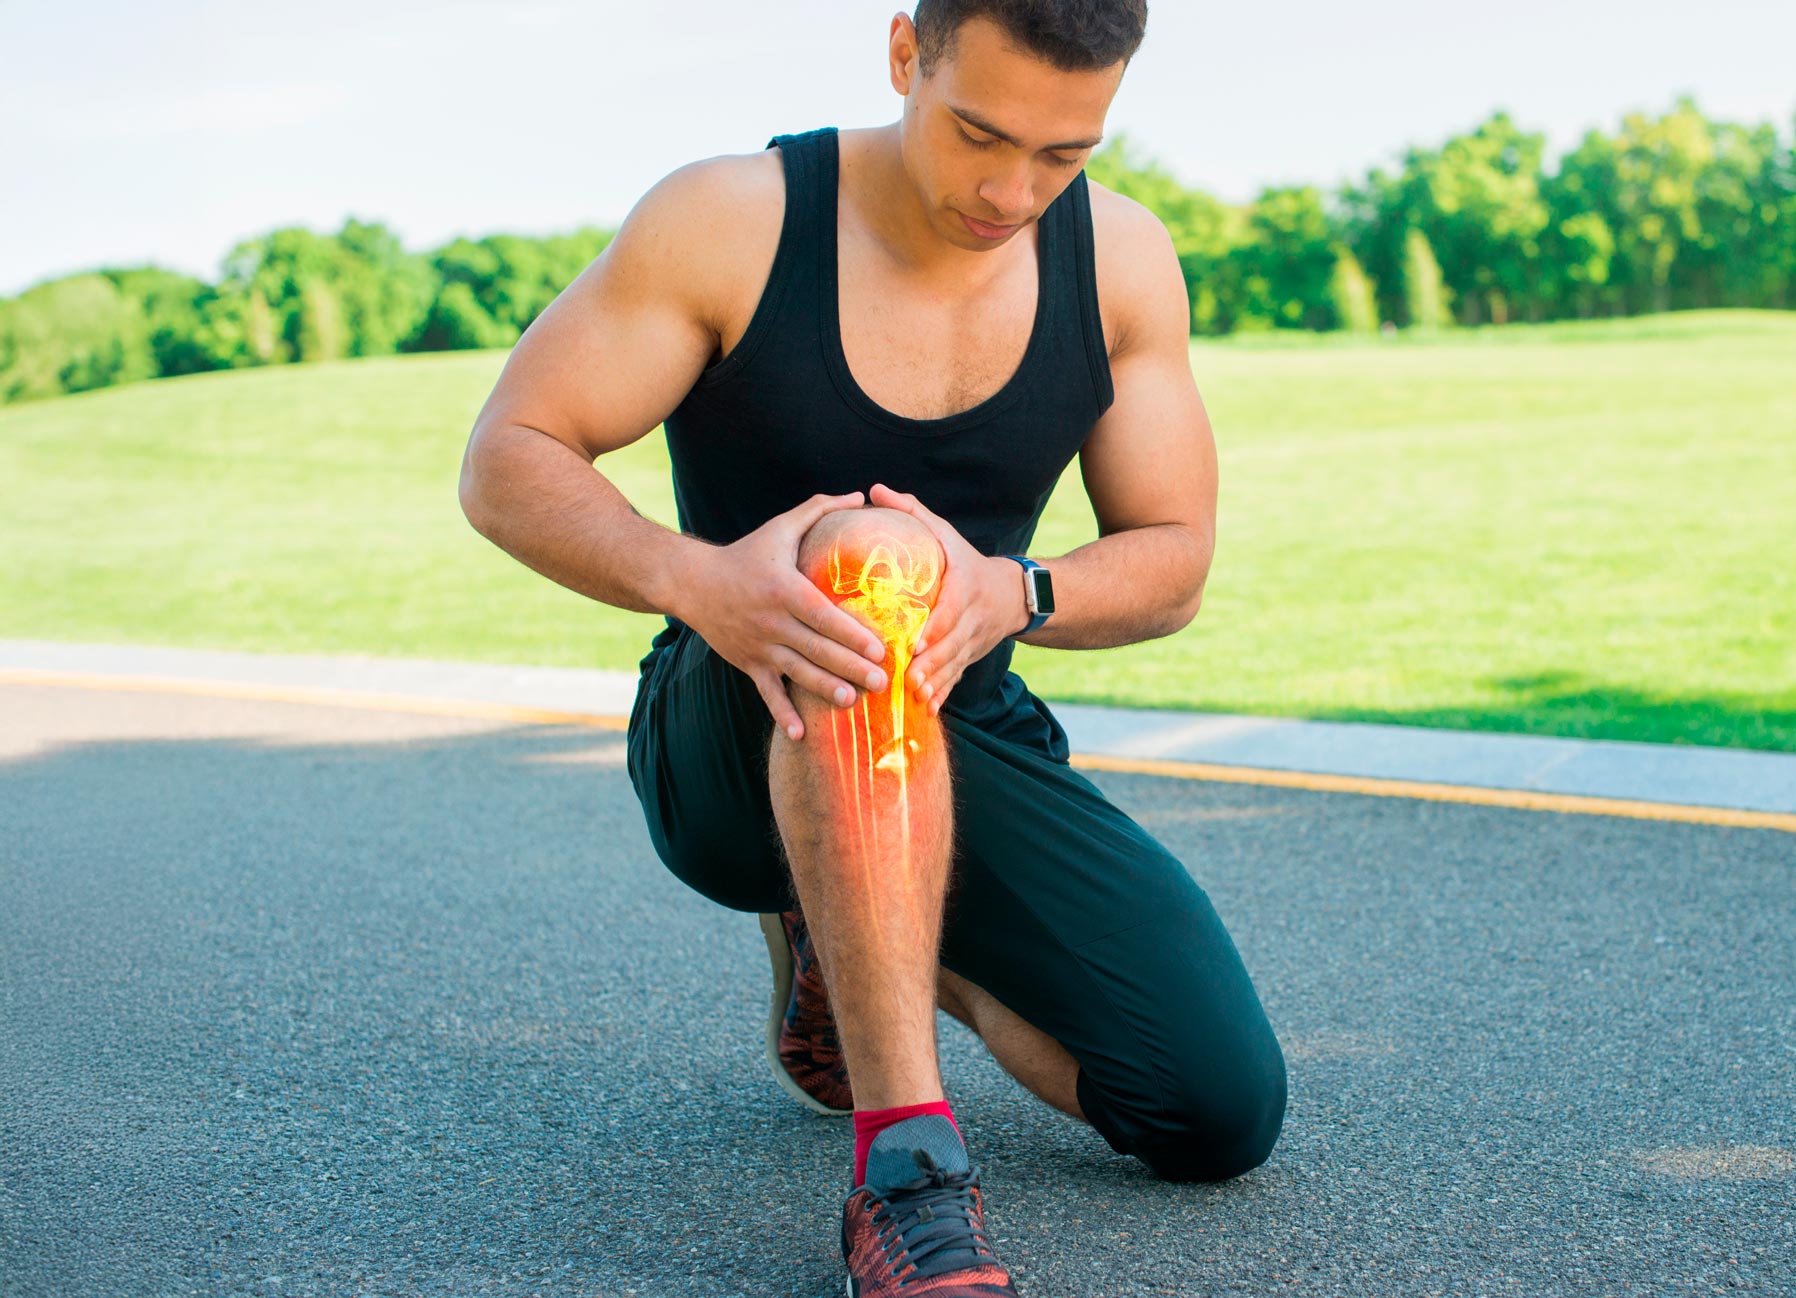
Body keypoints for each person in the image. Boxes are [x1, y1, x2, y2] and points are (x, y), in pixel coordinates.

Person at [458, 3, 1286, 1292]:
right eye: (979, 134)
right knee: (868, 562)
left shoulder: (1122, 260)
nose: (1013, 191)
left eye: (1065, 154)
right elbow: (508, 457)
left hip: (963, 725)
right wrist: (698, 580)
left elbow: (1173, 556)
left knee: (1214, 1111)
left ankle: (864, 945)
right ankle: (907, 1174)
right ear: (907, 55)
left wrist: (1014, 594)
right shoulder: (733, 219)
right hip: (739, 722)